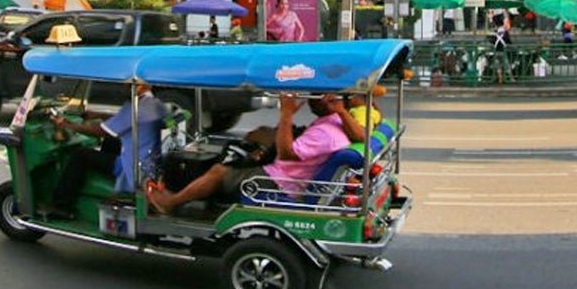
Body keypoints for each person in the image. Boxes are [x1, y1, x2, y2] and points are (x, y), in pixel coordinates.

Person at [148, 94, 351, 214]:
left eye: (315, 98)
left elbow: (286, 153)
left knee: (219, 171)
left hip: (281, 181)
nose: (310, 102)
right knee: (248, 145)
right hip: (285, 173)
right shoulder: (336, 121)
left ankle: (171, 203)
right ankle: (206, 198)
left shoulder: (325, 132)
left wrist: (286, 113)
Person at [47, 81, 167, 220]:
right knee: (112, 141)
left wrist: (67, 125)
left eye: (127, 85)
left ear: (136, 87)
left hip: (132, 168)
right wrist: (98, 115)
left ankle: (61, 206)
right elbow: (125, 120)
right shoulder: (154, 104)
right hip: (149, 163)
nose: (124, 88)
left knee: (81, 155)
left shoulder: (136, 107)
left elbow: (100, 131)